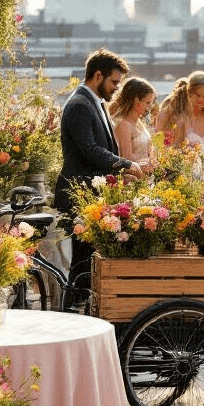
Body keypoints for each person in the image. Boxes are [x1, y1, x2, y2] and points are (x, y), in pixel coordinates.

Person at [54, 48, 142, 281]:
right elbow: (90, 150)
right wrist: (126, 164)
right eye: (114, 81)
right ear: (98, 76)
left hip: (91, 191)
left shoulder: (96, 103)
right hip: (80, 193)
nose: (116, 88)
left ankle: (81, 307)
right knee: (82, 262)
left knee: (89, 260)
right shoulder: (80, 105)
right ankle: (73, 310)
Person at [169, 71, 204, 152]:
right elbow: (176, 150)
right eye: (198, 95)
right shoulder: (181, 119)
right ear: (189, 93)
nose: (201, 99)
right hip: (187, 163)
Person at [109, 76, 156, 167]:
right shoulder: (123, 124)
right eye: (147, 103)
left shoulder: (138, 122)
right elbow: (126, 158)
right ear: (136, 101)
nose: (149, 107)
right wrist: (147, 161)